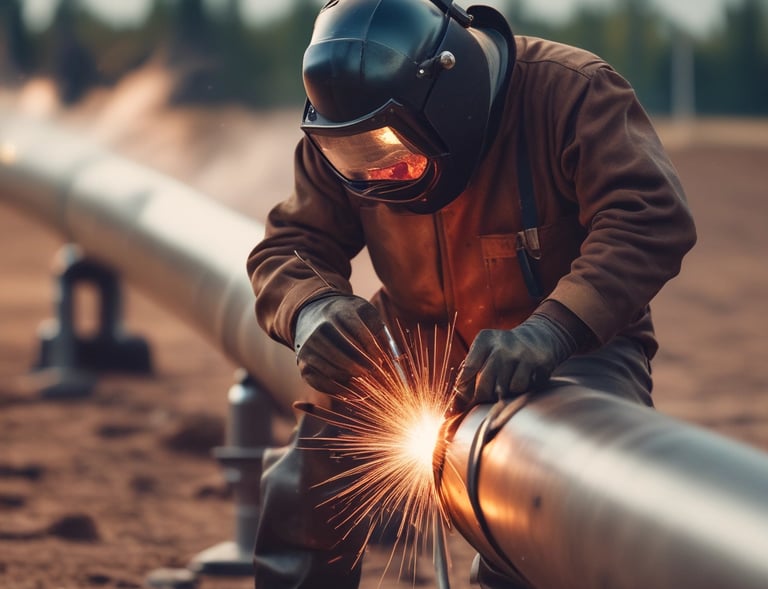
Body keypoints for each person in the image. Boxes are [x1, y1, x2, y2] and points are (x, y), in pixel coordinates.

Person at [246, 0, 697, 587]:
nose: (382, 174)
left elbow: (649, 217)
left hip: (572, 349)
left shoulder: (571, 93)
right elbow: (291, 243)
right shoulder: (345, 128)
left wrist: (552, 330)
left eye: (393, 152)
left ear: (449, 102)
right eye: (362, 160)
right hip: (415, 345)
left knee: (551, 497)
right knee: (308, 482)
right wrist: (310, 309)